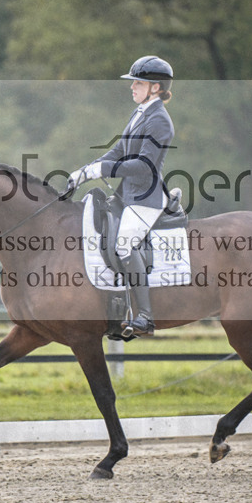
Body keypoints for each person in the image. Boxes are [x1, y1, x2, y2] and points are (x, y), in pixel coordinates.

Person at [68, 55, 175, 336]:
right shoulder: (140, 113)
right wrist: (87, 170)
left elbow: (143, 167)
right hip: (127, 196)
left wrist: (104, 169)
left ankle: (145, 317)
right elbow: (118, 151)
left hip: (146, 198)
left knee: (125, 244)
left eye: (138, 82)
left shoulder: (160, 121)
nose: (132, 87)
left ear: (155, 87)